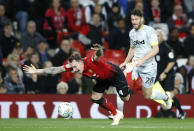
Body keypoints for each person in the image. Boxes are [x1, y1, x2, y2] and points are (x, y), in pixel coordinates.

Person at [23, 44, 131, 126]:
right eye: (73, 68)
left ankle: (127, 81)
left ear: (80, 62)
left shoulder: (90, 61)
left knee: (126, 98)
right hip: (102, 79)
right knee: (95, 97)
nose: (74, 70)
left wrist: (99, 51)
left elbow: (97, 56)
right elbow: (56, 70)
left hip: (115, 75)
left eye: (75, 67)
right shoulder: (74, 66)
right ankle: (116, 113)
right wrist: (37, 71)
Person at [120, 9, 172, 109]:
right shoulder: (132, 33)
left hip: (149, 67)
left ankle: (166, 97)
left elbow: (155, 49)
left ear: (141, 19)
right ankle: (118, 112)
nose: (134, 22)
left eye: (136, 19)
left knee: (147, 95)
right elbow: (132, 49)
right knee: (126, 79)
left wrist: (142, 60)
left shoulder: (150, 31)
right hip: (135, 64)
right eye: (132, 19)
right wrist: (126, 62)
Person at [155, 29, 186, 119]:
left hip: (168, 75)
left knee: (168, 96)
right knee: (164, 96)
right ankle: (180, 111)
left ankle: (180, 112)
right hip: (158, 75)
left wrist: (165, 73)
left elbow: (172, 62)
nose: (155, 38)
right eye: (155, 36)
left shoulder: (166, 47)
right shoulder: (153, 47)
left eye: (158, 36)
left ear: (162, 37)